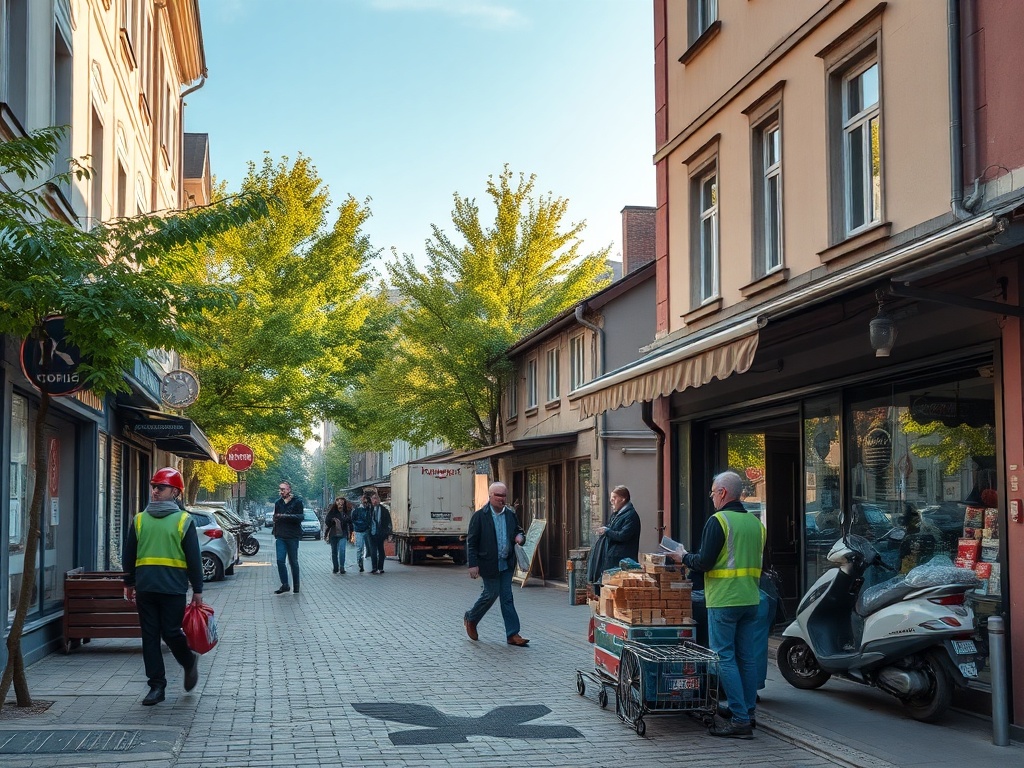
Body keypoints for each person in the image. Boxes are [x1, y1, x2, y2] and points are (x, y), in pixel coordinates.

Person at [675, 471, 765, 739]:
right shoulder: (755, 523)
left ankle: (739, 720)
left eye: (713, 491)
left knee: (724, 657)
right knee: (746, 658)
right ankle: (747, 712)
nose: (712, 497)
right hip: (751, 598)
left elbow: (703, 562)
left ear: (723, 493)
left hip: (724, 600)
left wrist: (683, 556)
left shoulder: (719, 521)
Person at [122, 467, 203, 706]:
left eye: (161, 487)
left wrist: (197, 590)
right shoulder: (139, 519)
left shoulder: (183, 520)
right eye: (154, 486)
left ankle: (188, 661)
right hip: (146, 588)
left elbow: (193, 557)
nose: (155, 491)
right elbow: (129, 554)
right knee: (149, 638)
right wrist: (129, 582)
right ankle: (156, 686)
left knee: (170, 633)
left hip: (173, 588)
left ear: (175, 492)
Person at [463, 481, 529, 647]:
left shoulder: (510, 514)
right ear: (490, 496)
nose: (502, 499)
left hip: (506, 563)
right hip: (488, 563)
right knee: (490, 594)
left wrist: (520, 538)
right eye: (498, 495)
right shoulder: (479, 516)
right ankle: (471, 618)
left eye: (504, 495)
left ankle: (513, 634)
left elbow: (518, 531)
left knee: (507, 597)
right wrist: (473, 564)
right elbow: (472, 542)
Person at [586, 485, 641, 595]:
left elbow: (623, 535)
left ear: (623, 499)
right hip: (612, 557)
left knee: (615, 591)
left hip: (620, 560)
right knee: (606, 589)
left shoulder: (631, 516)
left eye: (614, 498)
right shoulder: (617, 514)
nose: (611, 500)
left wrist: (607, 531)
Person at [272, 480, 304, 594]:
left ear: (289, 489)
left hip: (292, 536)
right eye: (280, 489)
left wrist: (285, 516)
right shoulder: (278, 503)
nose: (281, 492)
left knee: (293, 562)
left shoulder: (297, 502)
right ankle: (285, 584)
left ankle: (296, 585)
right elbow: (276, 516)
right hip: (280, 535)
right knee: (280, 560)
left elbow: (300, 517)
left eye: (283, 489)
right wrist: (275, 519)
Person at [323, 497, 354, 574]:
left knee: (342, 550)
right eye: (339, 502)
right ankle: (335, 567)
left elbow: (350, 521)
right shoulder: (332, 511)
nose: (340, 504)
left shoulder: (346, 511)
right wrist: (333, 521)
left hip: (343, 534)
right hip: (333, 534)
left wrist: (351, 533)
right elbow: (327, 521)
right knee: (334, 552)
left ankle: (342, 567)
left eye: (342, 503)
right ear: (336, 503)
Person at [366, 490, 393, 574]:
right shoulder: (368, 510)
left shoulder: (384, 510)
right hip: (371, 533)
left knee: (381, 550)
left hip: (381, 533)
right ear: (371, 499)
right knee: (373, 551)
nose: (375, 500)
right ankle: (374, 567)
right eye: (373, 498)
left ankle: (380, 567)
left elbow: (389, 522)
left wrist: (389, 533)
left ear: (379, 500)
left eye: (377, 498)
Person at [351, 494, 372, 573]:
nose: (365, 502)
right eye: (364, 500)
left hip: (366, 530)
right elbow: (353, 520)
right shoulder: (357, 510)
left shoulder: (369, 509)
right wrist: (361, 525)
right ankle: (360, 564)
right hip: (359, 531)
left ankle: (370, 565)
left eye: (366, 500)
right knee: (360, 548)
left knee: (369, 548)